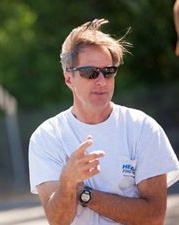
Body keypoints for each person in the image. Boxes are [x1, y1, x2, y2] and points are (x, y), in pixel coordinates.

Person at [28, 18, 179, 225]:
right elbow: (57, 220)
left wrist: (84, 193)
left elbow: (154, 217)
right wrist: (67, 182)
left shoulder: (143, 128)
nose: (101, 80)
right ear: (68, 79)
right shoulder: (47, 136)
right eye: (90, 73)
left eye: (108, 72)